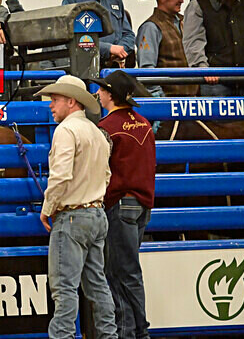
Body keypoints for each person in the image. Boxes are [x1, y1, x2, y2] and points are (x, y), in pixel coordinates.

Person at [35, 75, 117, 339]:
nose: (51, 106)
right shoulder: (97, 132)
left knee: (64, 288)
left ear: (71, 102)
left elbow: (60, 175)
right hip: (96, 213)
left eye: (56, 100)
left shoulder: (66, 131)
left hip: (72, 217)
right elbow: (106, 175)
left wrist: (48, 207)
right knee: (97, 285)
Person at [94, 71, 156, 339]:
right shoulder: (144, 123)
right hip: (142, 203)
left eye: (101, 90)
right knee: (129, 269)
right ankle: (136, 330)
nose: (98, 94)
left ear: (110, 95)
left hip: (119, 203)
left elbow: (100, 168)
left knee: (119, 272)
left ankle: (132, 332)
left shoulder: (106, 128)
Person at [136, 0, 201, 97]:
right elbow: (147, 69)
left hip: (190, 99)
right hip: (170, 98)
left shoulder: (184, 21)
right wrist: (159, 99)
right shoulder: (150, 27)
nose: (182, 0)